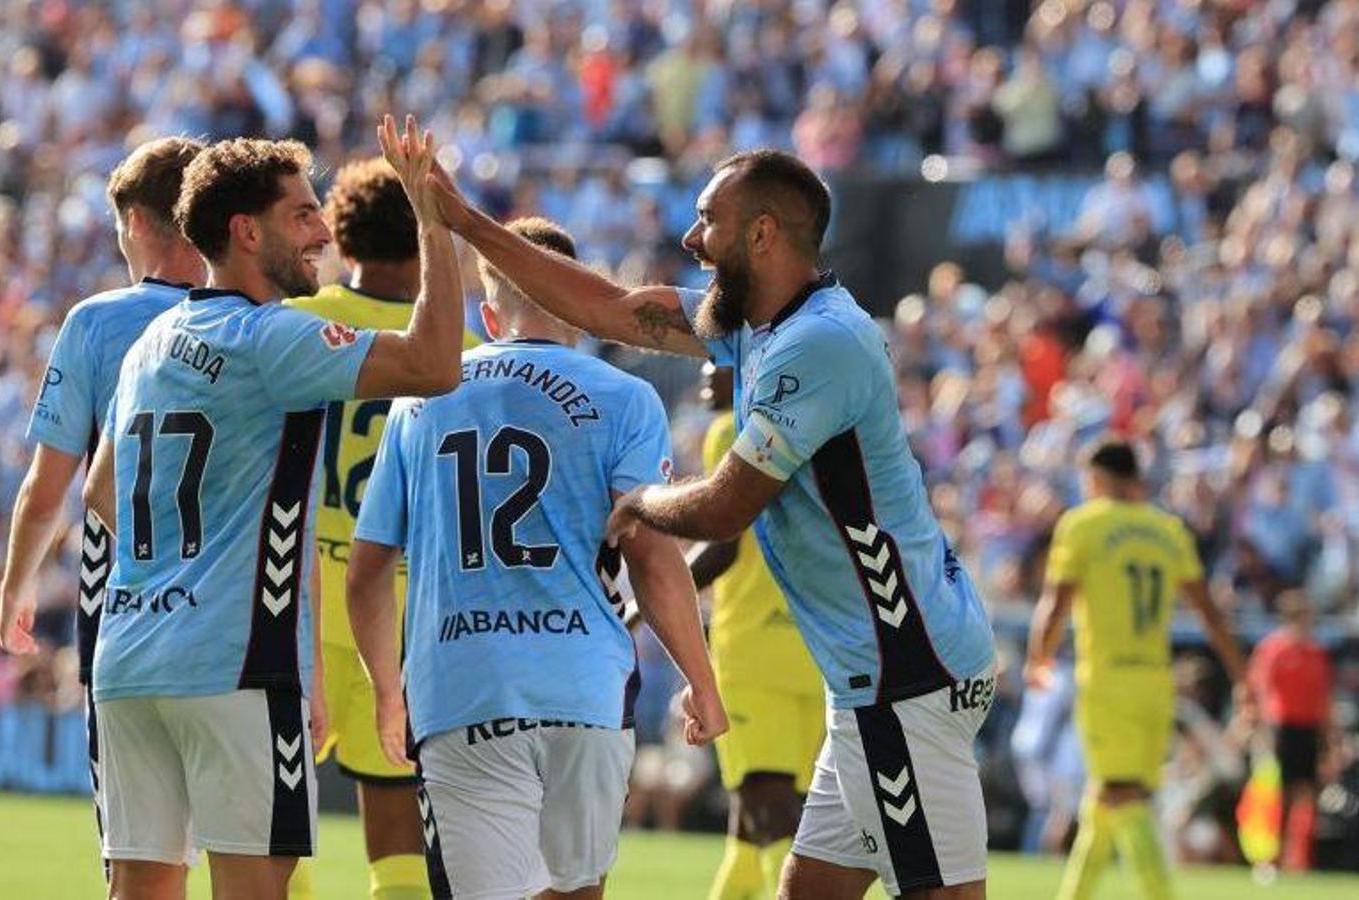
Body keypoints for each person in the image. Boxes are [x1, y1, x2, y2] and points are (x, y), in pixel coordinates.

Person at [428, 140, 997, 899]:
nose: (692, 238)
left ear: (762, 234)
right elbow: (605, 307)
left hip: (905, 672)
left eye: (707, 220)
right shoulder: (755, 327)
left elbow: (728, 505)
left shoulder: (819, 344)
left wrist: (636, 503)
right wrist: (466, 222)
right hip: (872, 675)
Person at [77, 117, 465, 900]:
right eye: (303, 213)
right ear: (247, 232)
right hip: (234, 666)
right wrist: (434, 222)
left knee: (140, 889)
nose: (323, 231)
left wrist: (183, 566)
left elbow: (99, 491)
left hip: (129, 657)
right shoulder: (271, 337)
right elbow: (434, 364)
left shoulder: (153, 339)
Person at [346, 216, 728, 900]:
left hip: (462, 686)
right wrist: (701, 680)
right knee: (576, 891)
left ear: (490, 315)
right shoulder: (626, 398)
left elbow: (368, 569)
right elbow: (651, 555)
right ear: (577, 305)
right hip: (584, 685)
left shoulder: (421, 401)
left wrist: (384, 690)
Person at [0, 136, 206, 875]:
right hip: (237, 604)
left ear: (139, 223)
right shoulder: (260, 321)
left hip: (126, 605)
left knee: (139, 860)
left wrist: (15, 586)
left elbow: (47, 485)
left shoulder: (97, 321)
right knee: (254, 860)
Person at [282, 157, 480, 900]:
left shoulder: (297, 320)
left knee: (269, 823)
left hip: (294, 607)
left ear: (343, 230)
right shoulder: (456, 348)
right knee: (395, 826)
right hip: (400, 621)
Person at [1024, 439, 1247, 900]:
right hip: (1156, 685)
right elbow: (1209, 612)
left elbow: (1056, 601)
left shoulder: (1083, 524)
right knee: (1106, 800)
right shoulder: (1168, 529)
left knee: (1122, 797)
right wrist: (1241, 675)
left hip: (1108, 681)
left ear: (1097, 479)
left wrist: (1038, 658)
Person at [689, 361, 826, 900]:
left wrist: (647, 600)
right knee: (752, 828)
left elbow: (723, 541)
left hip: (752, 649)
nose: (706, 373)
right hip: (813, 649)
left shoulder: (734, 429)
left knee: (770, 814)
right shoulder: (817, 431)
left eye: (718, 361)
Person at [1247, 591, 1333, 871]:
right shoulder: (1273, 649)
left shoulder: (1316, 653)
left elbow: (1323, 698)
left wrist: (1330, 737)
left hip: (1309, 728)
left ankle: (1299, 857)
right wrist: (1262, 729)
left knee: (1306, 793)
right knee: (1279, 793)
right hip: (1281, 727)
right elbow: (1259, 690)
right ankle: (1271, 856)